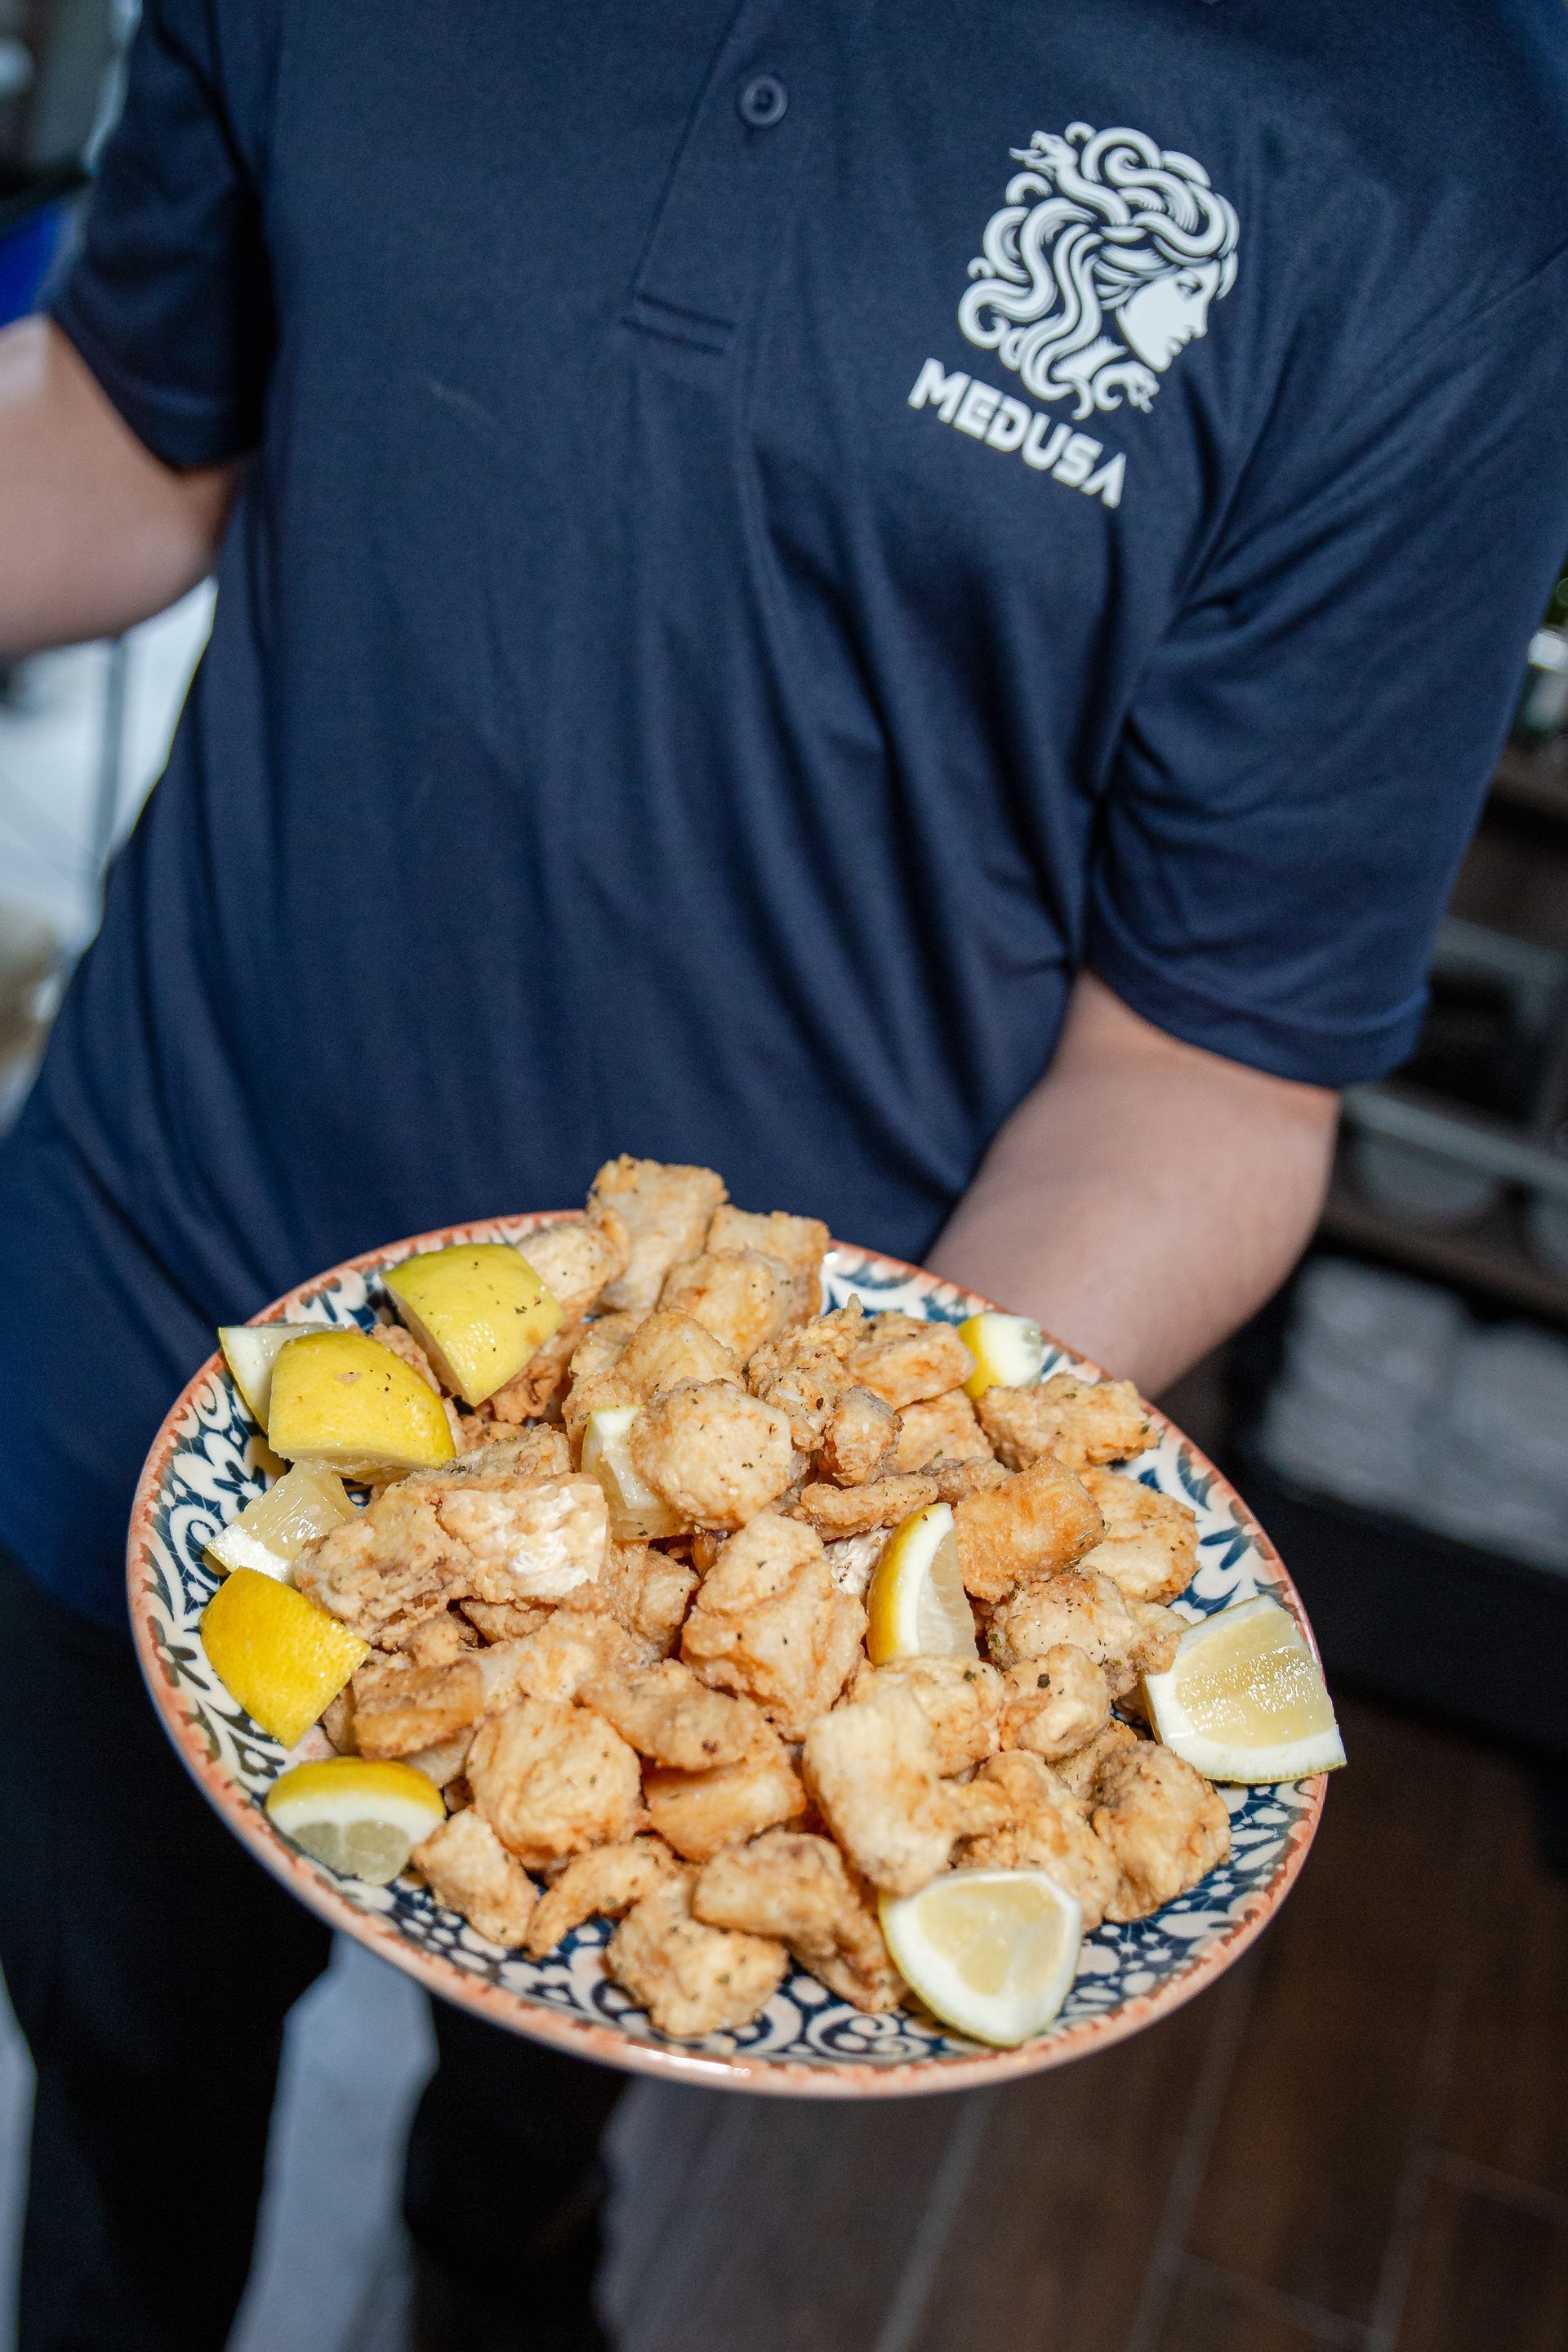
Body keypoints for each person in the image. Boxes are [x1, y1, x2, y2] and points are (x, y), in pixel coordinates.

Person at [1, 2, 1566, 2346]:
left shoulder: (1437, 158)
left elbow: (1208, 1073)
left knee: (547, 2119)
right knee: (124, 2080)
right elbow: (130, 442)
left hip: (742, 1556)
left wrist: (779, 1565)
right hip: (152, 1291)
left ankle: (503, 2252)